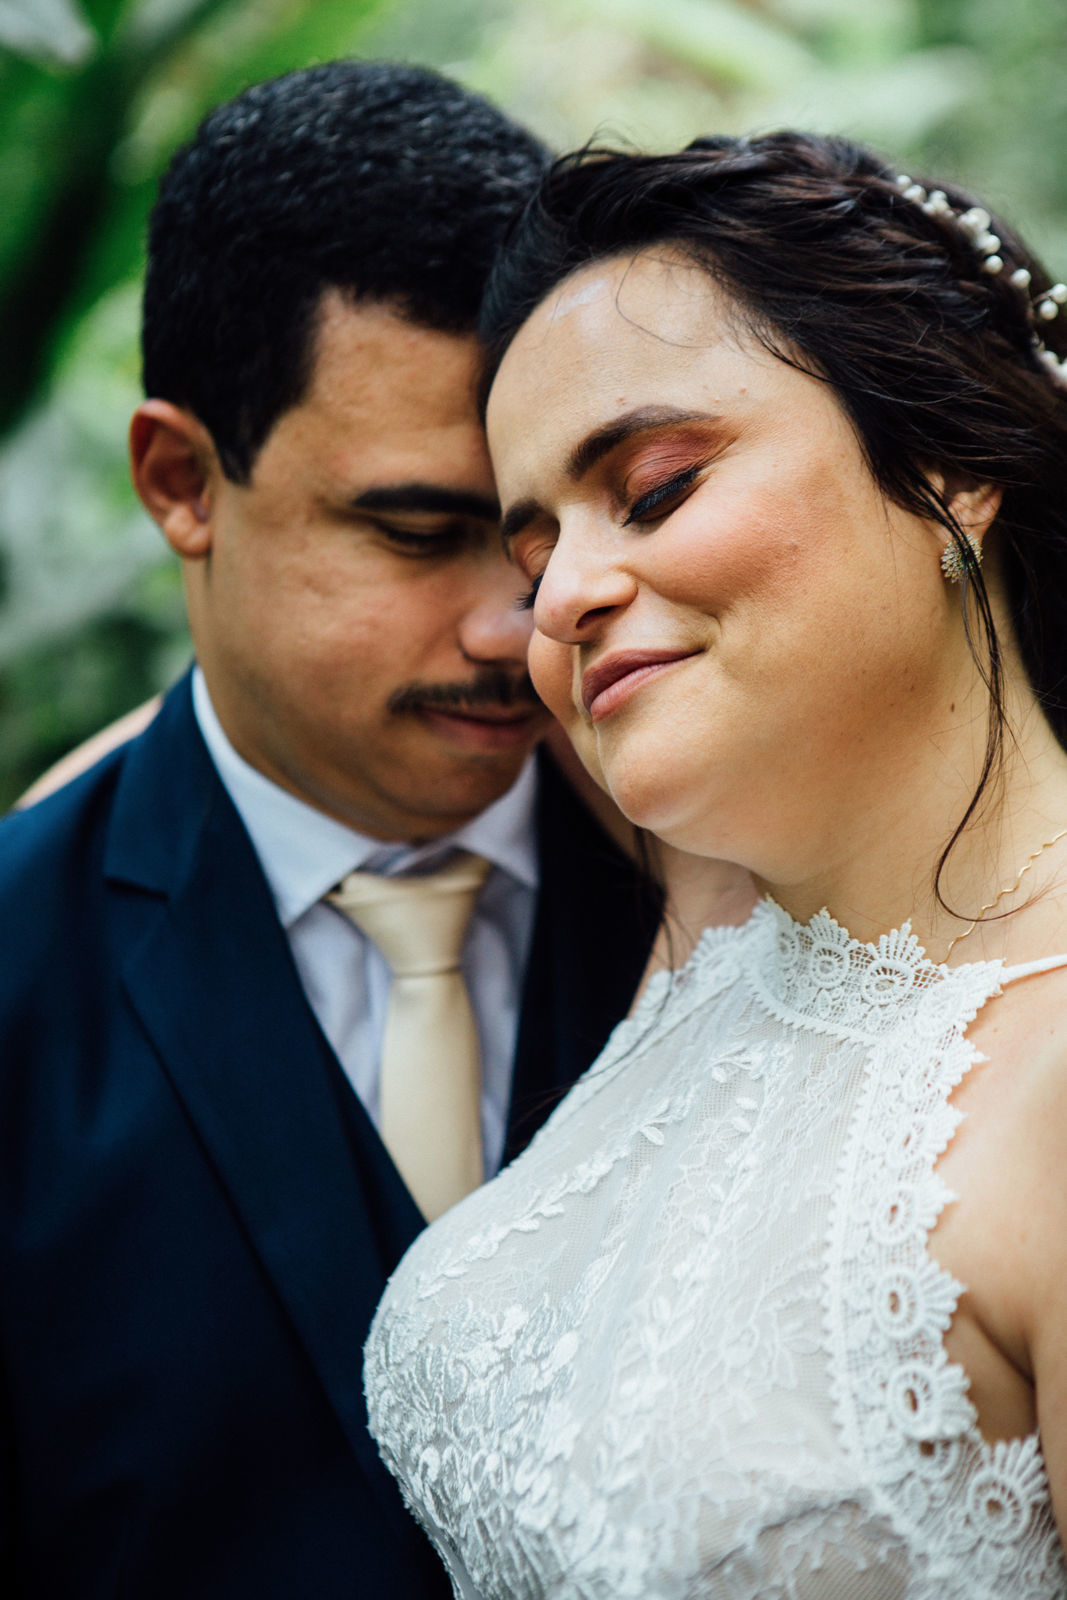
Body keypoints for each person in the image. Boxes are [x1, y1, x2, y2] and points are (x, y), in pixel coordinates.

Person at [364, 132, 1067, 1596]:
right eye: (532, 548)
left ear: (947, 453)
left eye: (658, 486)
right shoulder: (721, 899)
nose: (558, 599)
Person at [0, 63, 667, 1599]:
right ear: (181, 480)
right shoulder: (21, 983)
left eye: (543, 533)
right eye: (420, 532)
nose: (522, 625)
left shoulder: (753, 894)